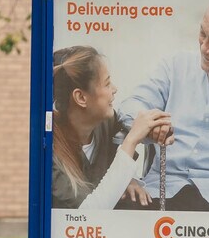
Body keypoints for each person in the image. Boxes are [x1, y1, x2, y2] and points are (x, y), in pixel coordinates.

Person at [114, 0, 209, 212]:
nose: (204, 47)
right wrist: (151, 125)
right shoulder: (176, 66)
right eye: (202, 33)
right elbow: (129, 106)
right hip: (166, 184)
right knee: (122, 205)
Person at [51, 46, 169, 210]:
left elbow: (120, 150)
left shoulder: (105, 123)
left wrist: (129, 178)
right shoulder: (51, 157)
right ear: (81, 97)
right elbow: (88, 214)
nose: (114, 89)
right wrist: (131, 140)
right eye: (107, 84)